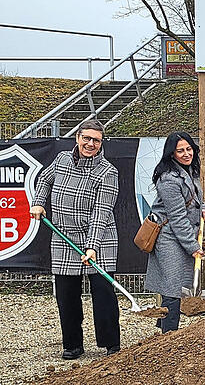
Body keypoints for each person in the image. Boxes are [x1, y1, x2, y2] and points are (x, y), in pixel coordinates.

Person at [29, 119, 120, 359]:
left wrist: (92, 247)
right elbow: (45, 180)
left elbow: (102, 213)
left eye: (96, 140)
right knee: (66, 295)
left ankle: (111, 344)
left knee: (103, 293)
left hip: (99, 239)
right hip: (63, 236)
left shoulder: (108, 172)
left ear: (101, 144)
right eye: (86, 138)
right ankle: (72, 344)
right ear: (77, 138)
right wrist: (38, 202)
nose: (90, 144)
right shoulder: (61, 160)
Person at [145, 132, 205, 332]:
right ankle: (168, 334)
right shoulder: (168, 179)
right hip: (168, 237)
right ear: (171, 154)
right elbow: (177, 217)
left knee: (176, 284)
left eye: (188, 149)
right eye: (180, 150)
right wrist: (193, 246)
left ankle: (164, 324)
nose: (186, 154)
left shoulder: (189, 170)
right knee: (172, 287)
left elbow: (193, 197)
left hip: (181, 235)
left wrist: (203, 208)